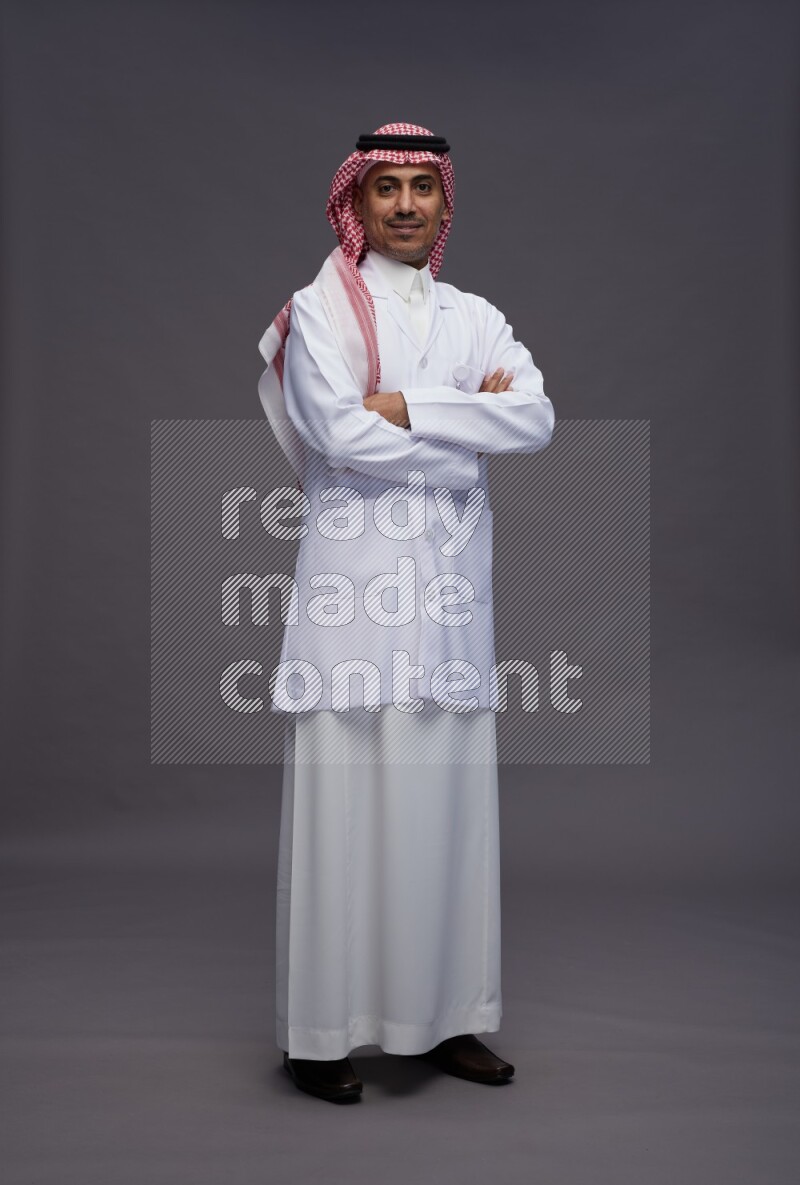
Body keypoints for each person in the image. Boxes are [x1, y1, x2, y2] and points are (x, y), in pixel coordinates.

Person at [257, 122, 555, 1103]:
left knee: (446, 808)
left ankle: (444, 1022)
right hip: (354, 591)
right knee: (345, 812)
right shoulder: (318, 307)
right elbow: (338, 436)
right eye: (383, 187)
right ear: (356, 200)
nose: (402, 206)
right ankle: (318, 1037)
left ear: (442, 201)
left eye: (419, 187)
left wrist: (405, 407)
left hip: (449, 598)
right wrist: (462, 422)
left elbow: (537, 418)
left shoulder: (475, 315)